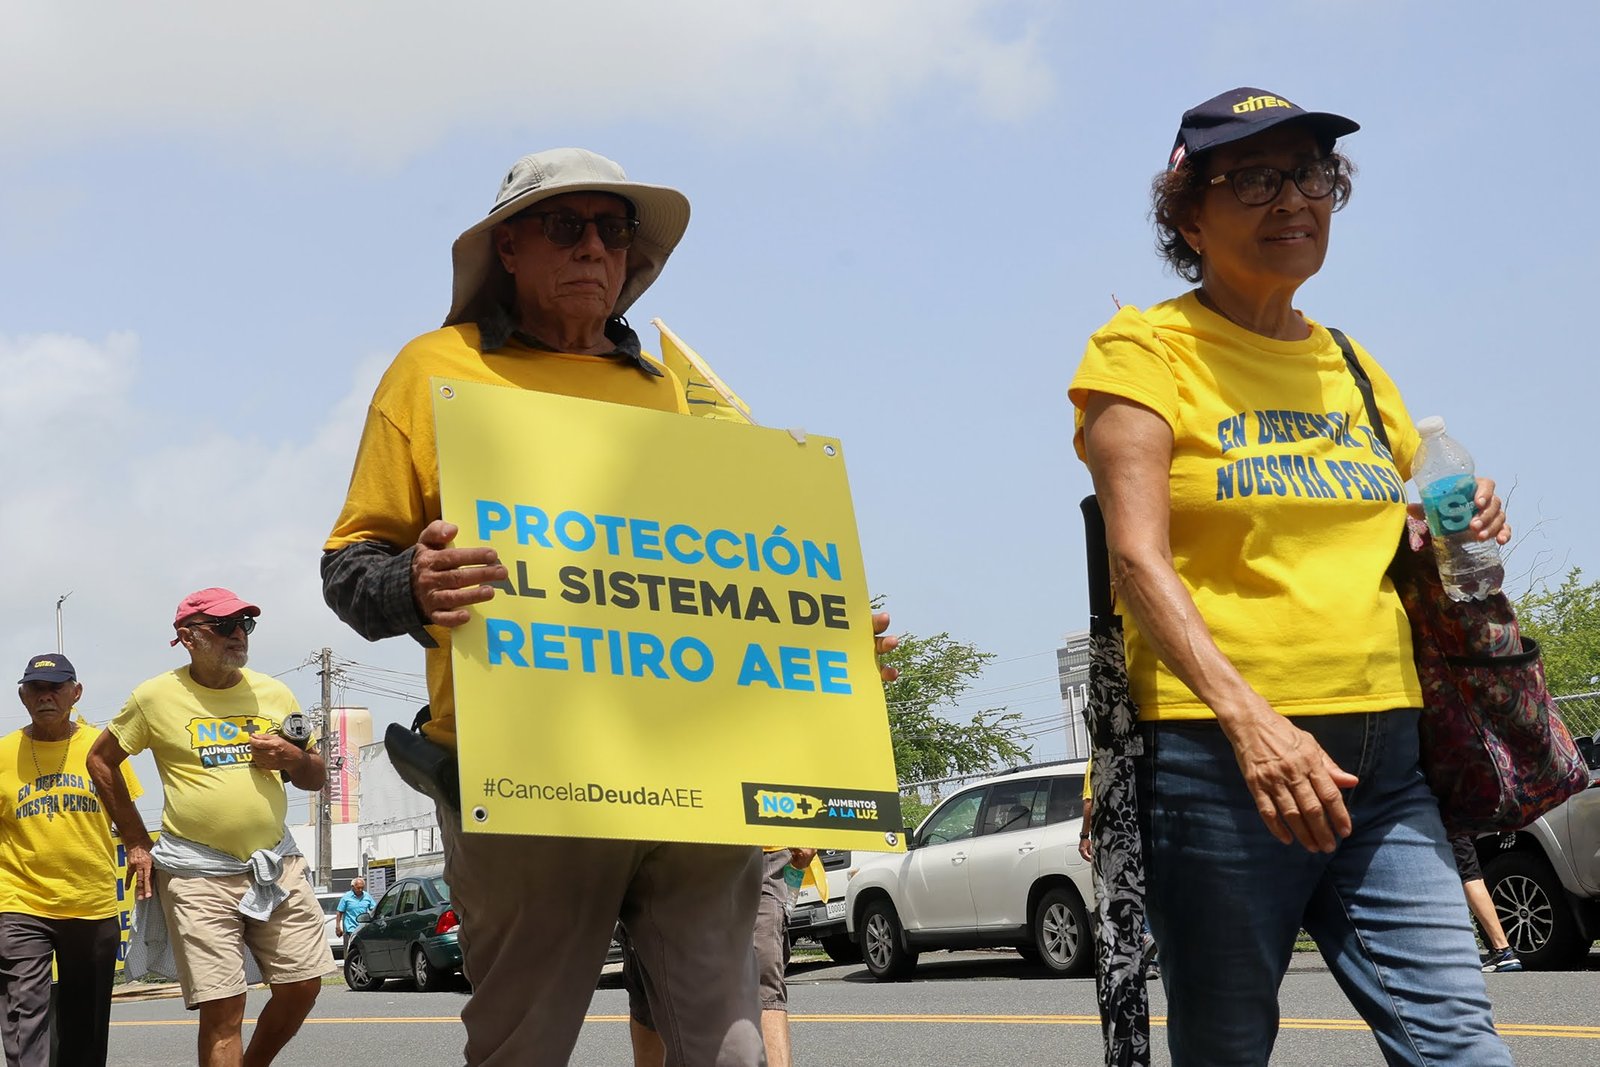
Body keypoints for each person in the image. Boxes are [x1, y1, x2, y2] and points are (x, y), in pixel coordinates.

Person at [320, 147, 898, 1067]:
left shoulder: (672, 394)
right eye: (566, 225)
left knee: (731, 1050)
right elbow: (350, 568)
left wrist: (822, 636)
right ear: (509, 249)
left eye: (613, 228)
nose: (594, 246)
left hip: (694, 779)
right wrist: (412, 583)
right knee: (521, 1047)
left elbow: (715, 581)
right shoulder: (432, 369)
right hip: (523, 780)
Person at [1069, 87, 1515, 1065]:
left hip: (1386, 755)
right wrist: (1251, 722)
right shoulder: (1142, 351)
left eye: (1311, 175)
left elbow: (1393, 529)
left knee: (1458, 1041)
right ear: (1188, 218)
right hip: (1219, 757)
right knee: (1227, 1046)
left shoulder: (1352, 364)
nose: (1293, 200)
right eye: (1254, 179)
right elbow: (1136, 558)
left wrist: (1461, 516)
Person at [86, 588, 336, 1067]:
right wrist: (136, 839)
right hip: (197, 870)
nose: (238, 634)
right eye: (224, 626)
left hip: (274, 862)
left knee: (303, 984)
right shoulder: (154, 697)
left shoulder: (274, 693)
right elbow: (100, 760)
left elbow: (314, 776)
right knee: (224, 1006)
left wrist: (293, 757)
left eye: (245, 624)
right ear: (188, 637)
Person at [0, 653, 140, 1067]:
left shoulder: (101, 749)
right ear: (23, 696)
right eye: (36, 688)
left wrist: (141, 850)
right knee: (25, 1014)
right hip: (20, 902)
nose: (46, 696)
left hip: (91, 902)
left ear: (75, 693)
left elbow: (127, 817)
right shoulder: (3, 753)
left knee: (86, 1024)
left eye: (56, 688)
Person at [1451, 835, 1523, 972]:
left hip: (1450, 827)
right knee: (1462, 874)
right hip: (1465, 825)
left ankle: (1502, 950)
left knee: (1469, 876)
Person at [334, 876, 377, 953]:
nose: (360, 890)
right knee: (350, 951)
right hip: (350, 929)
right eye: (358, 888)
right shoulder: (346, 897)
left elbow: (374, 909)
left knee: (362, 950)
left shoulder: (367, 896)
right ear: (353, 887)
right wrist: (338, 927)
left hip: (363, 929)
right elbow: (339, 912)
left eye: (362, 888)